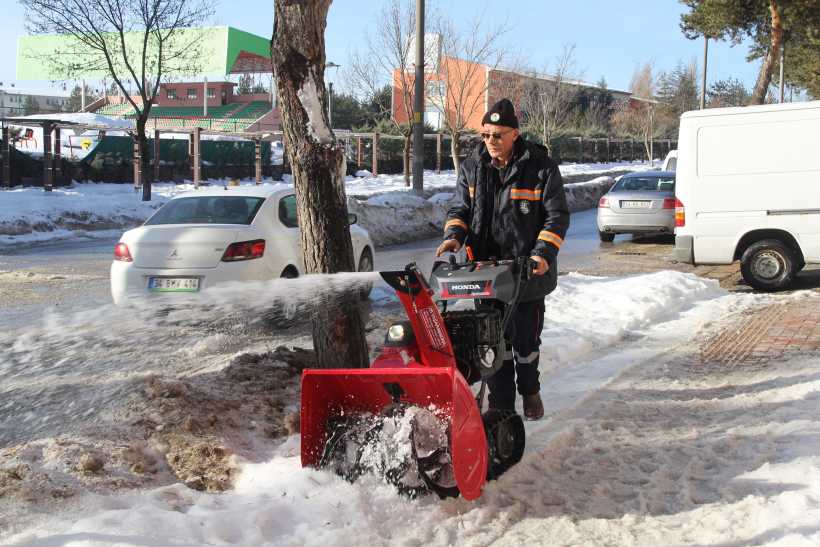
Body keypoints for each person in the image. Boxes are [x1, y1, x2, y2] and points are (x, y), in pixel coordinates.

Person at [436, 98, 570, 420]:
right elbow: (460, 210)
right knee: (491, 340)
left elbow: (556, 218)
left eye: (497, 135)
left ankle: (530, 390)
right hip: (486, 273)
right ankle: (500, 407)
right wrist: (453, 236)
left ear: (514, 134)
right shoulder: (472, 167)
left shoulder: (540, 168)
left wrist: (541, 254)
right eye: (485, 135)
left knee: (524, 341)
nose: (490, 142)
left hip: (527, 273)